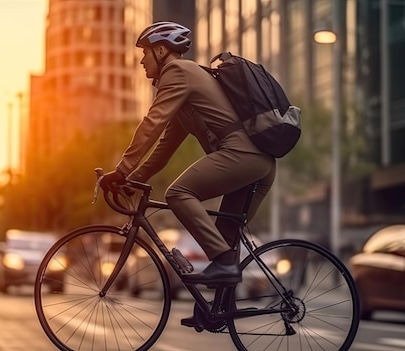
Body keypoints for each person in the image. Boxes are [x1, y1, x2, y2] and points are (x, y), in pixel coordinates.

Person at [100, 22, 276, 326]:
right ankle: (219, 312)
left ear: (160, 50)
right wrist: (132, 179)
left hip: (243, 157)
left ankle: (222, 264)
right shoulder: (185, 91)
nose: (142, 60)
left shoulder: (177, 73)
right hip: (254, 163)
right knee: (226, 238)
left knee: (179, 194)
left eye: (144, 53)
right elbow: (164, 147)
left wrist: (122, 168)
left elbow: (150, 125)